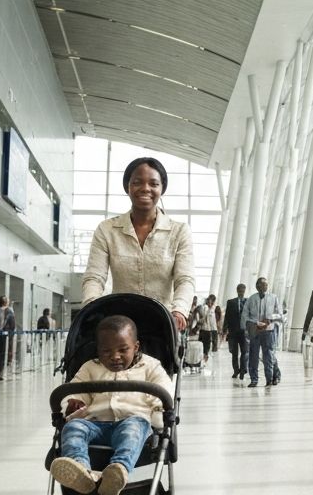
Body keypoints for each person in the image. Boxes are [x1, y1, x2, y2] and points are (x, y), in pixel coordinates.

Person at [50, 315, 171, 495]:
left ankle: (118, 470)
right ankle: (81, 471)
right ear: (98, 350)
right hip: (95, 424)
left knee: (133, 428)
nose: (115, 357)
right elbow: (74, 390)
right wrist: (72, 403)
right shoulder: (90, 368)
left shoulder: (150, 367)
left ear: (136, 347)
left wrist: (159, 415)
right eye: (106, 352)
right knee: (73, 427)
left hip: (131, 421)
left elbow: (163, 393)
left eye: (123, 350)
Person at [81, 156, 195, 332]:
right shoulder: (107, 229)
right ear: (127, 186)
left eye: (154, 184)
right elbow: (94, 277)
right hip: (118, 327)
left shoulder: (179, 231)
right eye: (137, 182)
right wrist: (92, 307)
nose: (145, 189)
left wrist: (179, 310)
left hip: (162, 325)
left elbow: (185, 279)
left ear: (162, 188)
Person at [245, 276, 283, 389]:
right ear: (257, 286)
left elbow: (280, 315)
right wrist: (254, 323)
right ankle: (254, 380)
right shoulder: (251, 299)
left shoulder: (273, 298)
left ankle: (269, 379)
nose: (265, 286)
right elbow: (245, 315)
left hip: (268, 331)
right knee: (253, 356)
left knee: (269, 355)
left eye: (266, 284)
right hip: (255, 331)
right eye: (262, 285)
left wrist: (270, 318)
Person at [222, 284, 249, 381]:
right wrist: (224, 330)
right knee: (234, 353)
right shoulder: (230, 302)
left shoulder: (248, 302)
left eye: (243, 291)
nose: (241, 292)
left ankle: (243, 370)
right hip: (233, 332)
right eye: (240, 291)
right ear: (237, 290)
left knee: (245, 352)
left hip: (244, 332)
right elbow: (227, 317)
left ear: (245, 291)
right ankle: (236, 370)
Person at [193, 293, 217, 367]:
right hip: (203, 331)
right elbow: (199, 319)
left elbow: (213, 323)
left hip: (209, 331)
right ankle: (201, 362)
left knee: (206, 348)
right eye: (210, 301)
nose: (211, 303)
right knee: (202, 347)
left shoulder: (212, 309)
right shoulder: (204, 308)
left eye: (212, 301)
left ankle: (203, 362)